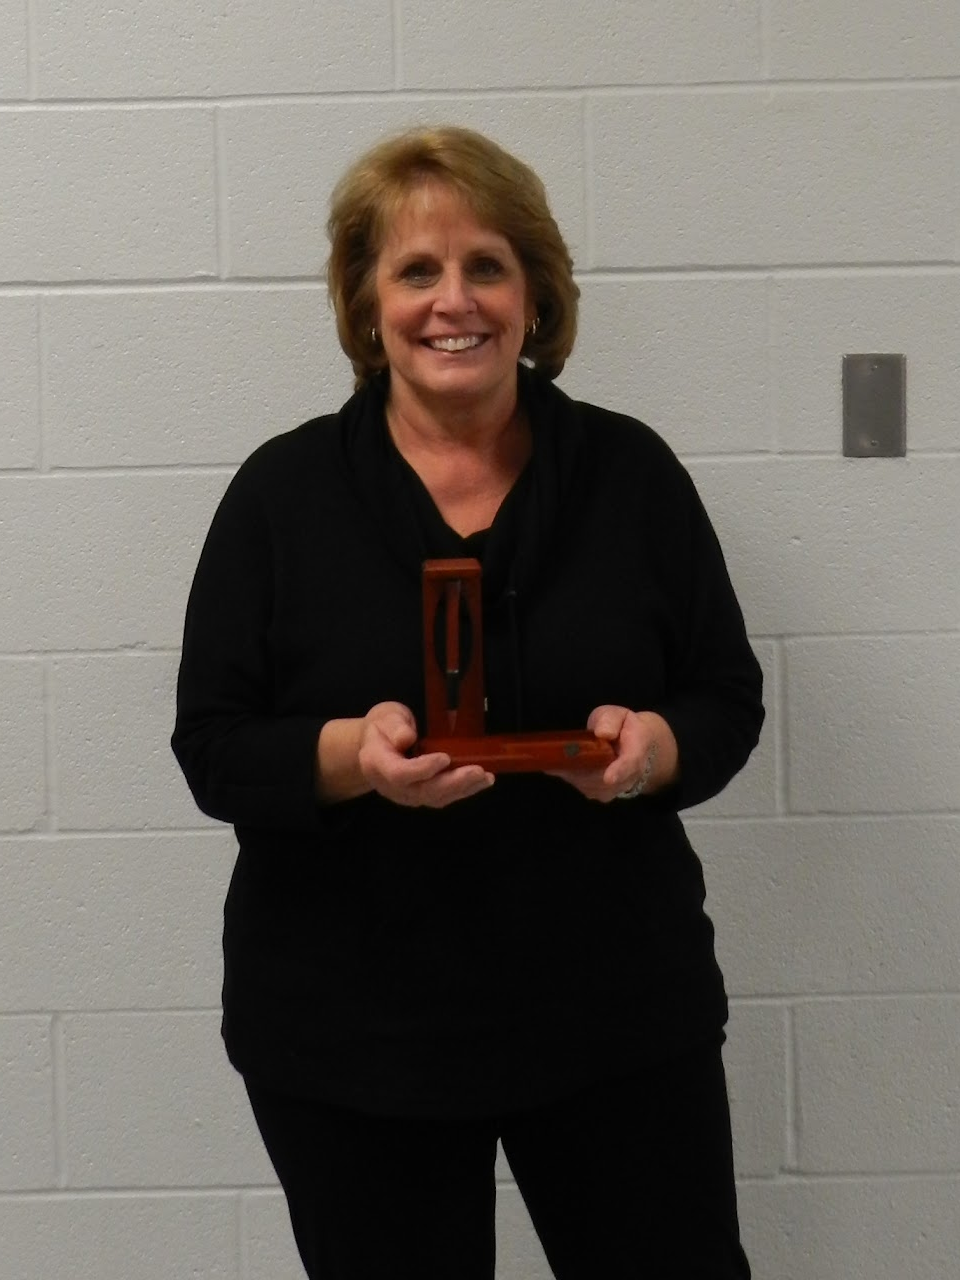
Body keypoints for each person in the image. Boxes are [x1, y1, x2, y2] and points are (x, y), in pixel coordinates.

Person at [172, 125, 764, 1279]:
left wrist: (650, 750)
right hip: (352, 1032)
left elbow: (725, 696)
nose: (455, 301)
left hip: (612, 1013)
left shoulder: (630, 474)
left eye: (486, 265)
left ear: (535, 294)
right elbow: (214, 743)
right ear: (365, 300)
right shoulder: (281, 496)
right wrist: (350, 756)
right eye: (416, 270)